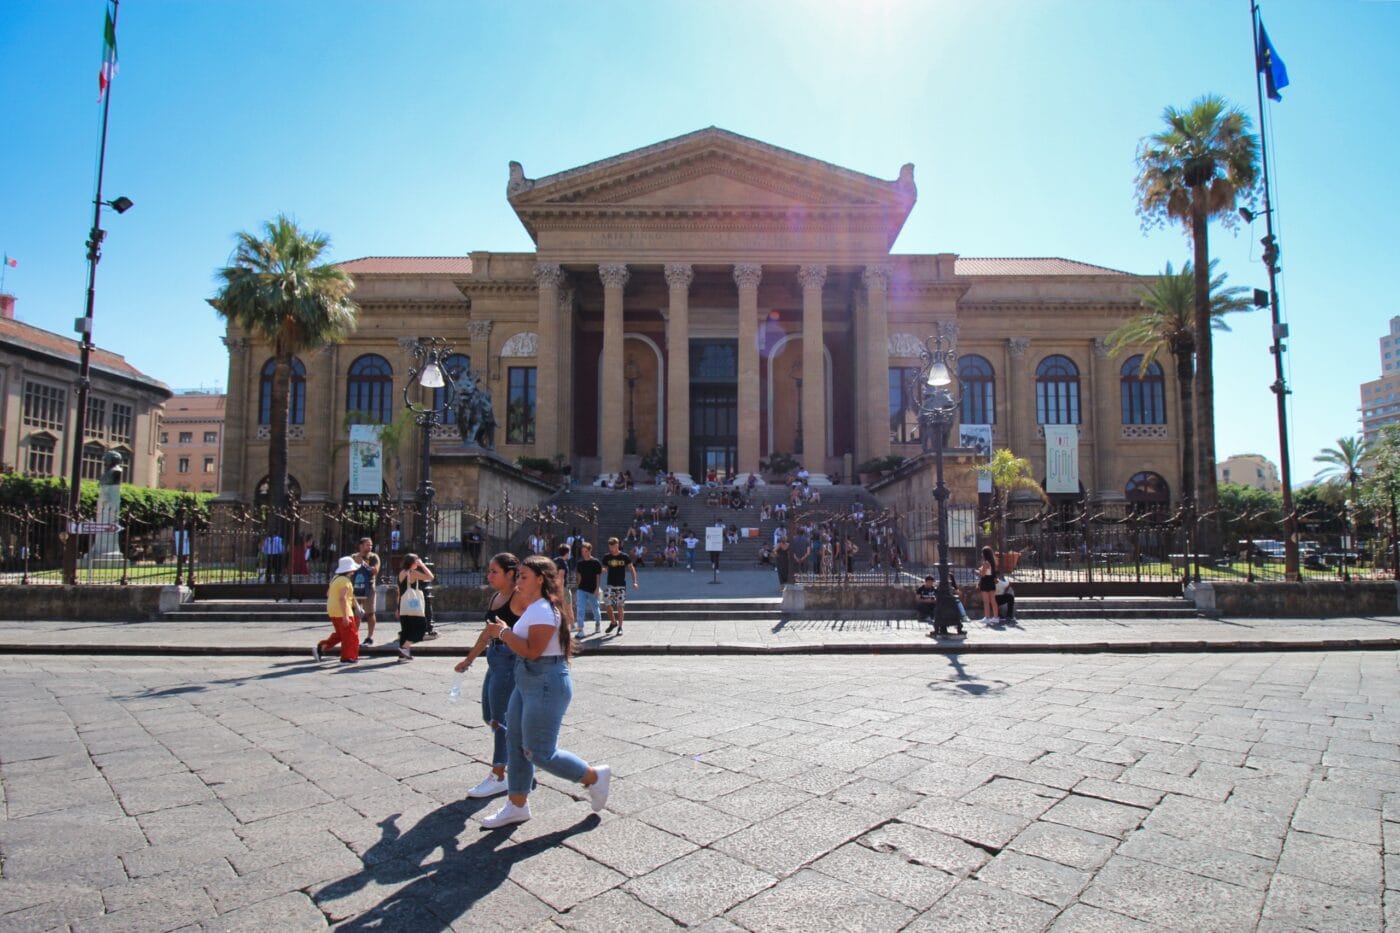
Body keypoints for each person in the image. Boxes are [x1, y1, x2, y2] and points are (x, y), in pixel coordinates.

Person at [478, 555, 611, 828]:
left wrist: (503, 633)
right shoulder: (535, 607)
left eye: (524, 576)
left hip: (545, 681)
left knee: (538, 751)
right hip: (528, 679)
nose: (518, 580)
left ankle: (592, 777)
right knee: (514, 741)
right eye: (519, 575)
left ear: (540, 579)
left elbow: (532, 650)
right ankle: (517, 804)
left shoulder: (541, 610)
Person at [454, 552, 527, 800]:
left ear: (510, 574)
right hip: (494, 659)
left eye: (494, 571)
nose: (489, 575)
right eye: (489, 571)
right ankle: (523, 758)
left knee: (499, 719)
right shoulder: (496, 597)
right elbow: (487, 634)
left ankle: (499, 775)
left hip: (508, 661)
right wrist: (469, 659)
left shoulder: (520, 598)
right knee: (489, 714)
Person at [315, 555, 360, 664]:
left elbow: (328, 593)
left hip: (333, 610)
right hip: (343, 611)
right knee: (351, 635)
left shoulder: (335, 579)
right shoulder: (345, 581)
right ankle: (347, 657)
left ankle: (322, 647)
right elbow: (342, 598)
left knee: (340, 634)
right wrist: (345, 616)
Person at [395, 552, 434, 660]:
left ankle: (403, 655)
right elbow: (430, 577)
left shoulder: (401, 573)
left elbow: (399, 591)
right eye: (416, 561)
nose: (417, 563)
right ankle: (405, 647)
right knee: (421, 629)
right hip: (414, 608)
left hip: (403, 606)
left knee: (405, 631)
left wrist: (397, 608)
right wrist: (422, 565)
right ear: (412, 562)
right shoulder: (412, 573)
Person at [602, 537, 638, 636]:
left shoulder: (624, 556)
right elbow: (604, 567)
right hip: (610, 584)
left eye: (613, 546)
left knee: (620, 606)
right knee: (607, 604)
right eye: (610, 546)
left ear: (617, 545)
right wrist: (603, 569)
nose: (612, 548)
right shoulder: (607, 557)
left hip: (621, 585)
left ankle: (620, 627)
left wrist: (635, 582)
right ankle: (613, 622)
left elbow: (631, 569)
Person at [352, 540, 379, 647]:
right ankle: (354, 636)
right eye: (368, 545)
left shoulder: (373, 557)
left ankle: (369, 637)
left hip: (369, 587)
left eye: (371, 544)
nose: (370, 546)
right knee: (356, 613)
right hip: (356, 587)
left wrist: (363, 563)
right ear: (361, 545)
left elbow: (375, 571)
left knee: (370, 612)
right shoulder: (353, 557)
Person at [574, 542, 603, 636]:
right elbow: (578, 576)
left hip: (593, 589)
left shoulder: (596, 562)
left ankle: (598, 623)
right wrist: (578, 587)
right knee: (580, 609)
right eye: (582, 551)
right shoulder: (580, 563)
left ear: (590, 550)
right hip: (581, 589)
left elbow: (598, 577)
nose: (584, 553)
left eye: (586, 551)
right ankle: (580, 629)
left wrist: (597, 589)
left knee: (595, 608)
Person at [977, 546, 998, 624]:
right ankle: (996, 617)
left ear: (984, 554)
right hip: (991, 582)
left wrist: (978, 571)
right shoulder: (992, 562)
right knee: (993, 601)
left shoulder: (986, 563)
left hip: (985, 582)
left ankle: (987, 617)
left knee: (986, 601)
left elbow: (982, 574)